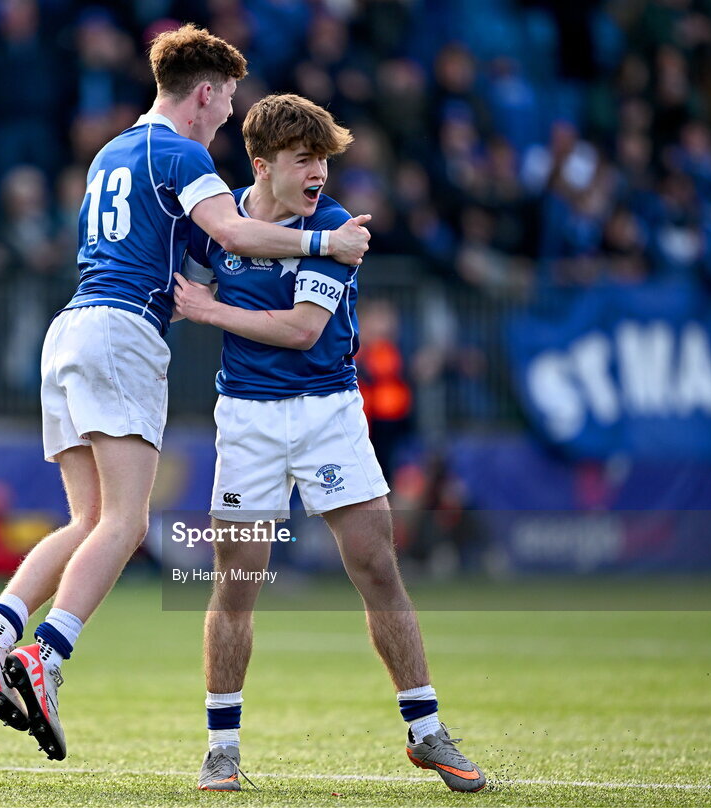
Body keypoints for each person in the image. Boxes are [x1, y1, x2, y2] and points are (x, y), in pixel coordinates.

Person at [0, 25, 372, 761]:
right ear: (204, 92)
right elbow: (234, 235)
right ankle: (46, 657)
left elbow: (196, 245)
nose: (228, 118)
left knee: (86, 521)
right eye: (228, 100)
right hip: (122, 332)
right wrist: (322, 245)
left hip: (72, 327)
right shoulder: (181, 151)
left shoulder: (112, 152)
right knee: (127, 524)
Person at [173, 94, 486, 793]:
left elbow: (302, 330)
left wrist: (210, 310)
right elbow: (182, 275)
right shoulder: (217, 220)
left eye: (324, 158)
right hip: (249, 420)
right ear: (263, 165)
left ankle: (425, 730)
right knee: (237, 581)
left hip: (328, 413)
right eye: (304, 159)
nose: (319, 172)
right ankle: (221, 748)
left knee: (378, 566)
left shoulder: (339, 226)